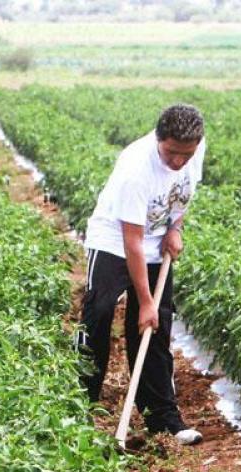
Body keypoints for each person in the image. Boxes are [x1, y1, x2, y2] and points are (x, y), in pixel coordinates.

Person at [76, 104, 206, 446]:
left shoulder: (194, 149)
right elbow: (132, 243)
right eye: (172, 153)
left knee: (155, 328)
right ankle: (77, 408)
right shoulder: (135, 169)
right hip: (114, 242)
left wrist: (175, 229)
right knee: (99, 315)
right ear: (157, 139)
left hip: (155, 242)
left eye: (186, 154)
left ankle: (163, 420)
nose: (179, 161)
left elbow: (180, 198)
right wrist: (145, 301)